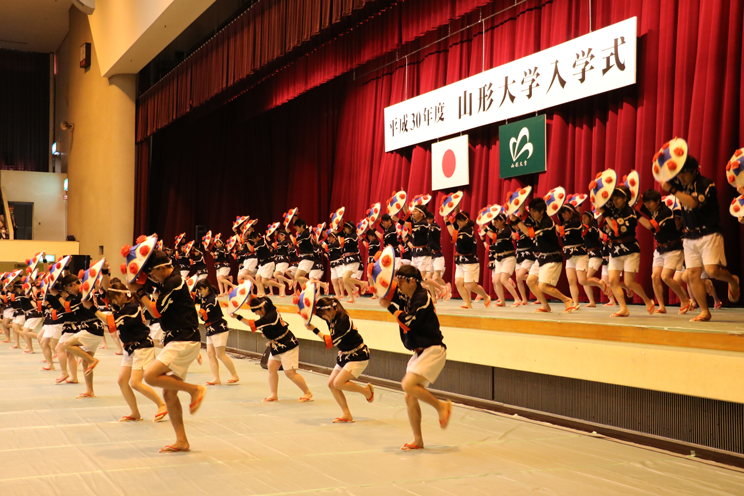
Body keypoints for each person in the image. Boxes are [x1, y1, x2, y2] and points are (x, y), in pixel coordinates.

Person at [130, 250, 206, 453]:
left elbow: (156, 311)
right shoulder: (167, 282)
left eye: (153, 273)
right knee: (169, 393)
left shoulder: (174, 281)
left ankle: (194, 390)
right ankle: (182, 441)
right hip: (179, 338)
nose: (152, 278)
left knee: (150, 375)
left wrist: (139, 293)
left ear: (162, 267)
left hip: (183, 339)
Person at [378, 265, 452, 450]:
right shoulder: (407, 294)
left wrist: (389, 307)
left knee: (408, 384)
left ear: (412, 281)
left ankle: (441, 406)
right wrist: (377, 278)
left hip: (433, 349)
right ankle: (418, 439)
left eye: (401, 281)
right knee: (409, 396)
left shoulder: (423, 297)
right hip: (419, 352)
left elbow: (408, 321)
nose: (398, 285)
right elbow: (389, 291)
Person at [661, 155, 739, 321]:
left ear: (694, 171)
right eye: (679, 174)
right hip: (689, 235)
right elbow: (663, 176)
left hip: (709, 232)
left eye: (684, 174)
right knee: (692, 275)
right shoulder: (681, 184)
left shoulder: (706, 184)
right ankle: (704, 311)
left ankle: (732, 280)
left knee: (712, 271)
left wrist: (674, 190)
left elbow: (693, 203)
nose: (680, 177)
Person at [88, 279, 168, 422]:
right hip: (130, 348)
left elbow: (109, 322)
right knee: (122, 381)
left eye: (115, 298)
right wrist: (105, 273)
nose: (114, 301)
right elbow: (106, 294)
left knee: (135, 383)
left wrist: (92, 308)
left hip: (142, 347)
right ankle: (135, 413)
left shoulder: (133, 307)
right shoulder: (123, 306)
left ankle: (162, 405)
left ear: (124, 295)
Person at [304, 297, 373, 423]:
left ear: (331, 309)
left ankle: (366, 391)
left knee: (338, 383)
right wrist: (305, 306)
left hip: (358, 355)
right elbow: (313, 311)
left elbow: (329, 342)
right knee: (331, 384)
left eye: (324, 315)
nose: (323, 318)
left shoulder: (343, 321)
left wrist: (314, 329)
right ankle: (346, 414)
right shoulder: (331, 315)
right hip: (345, 355)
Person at [235, 296, 312, 402]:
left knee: (290, 373)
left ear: (262, 308)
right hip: (276, 344)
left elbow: (251, 324)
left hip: (287, 344)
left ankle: (307, 392)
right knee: (271, 367)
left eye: (256, 312)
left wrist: (237, 316)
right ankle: (274, 394)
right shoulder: (271, 307)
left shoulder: (270, 317)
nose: (256, 314)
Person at [599, 186, 655, 317]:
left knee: (629, 282)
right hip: (614, 250)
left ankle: (647, 300)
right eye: (613, 198)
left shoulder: (631, 212)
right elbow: (599, 203)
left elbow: (617, 229)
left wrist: (606, 215)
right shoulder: (612, 208)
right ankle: (623, 309)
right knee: (613, 281)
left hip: (630, 250)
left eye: (618, 198)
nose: (615, 200)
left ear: (625, 198)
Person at [511, 198, 575, 313]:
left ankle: (567, 300)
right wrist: (522, 200)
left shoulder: (547, 222)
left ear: (541, 211)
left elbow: (528, 233)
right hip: (542, 257)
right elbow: (524, 214)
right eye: (531, 211)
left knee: (543, 286)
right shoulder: (537, 219)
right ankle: (545, 306)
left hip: (553, 257)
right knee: (530, 281)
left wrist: (516, 221)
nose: (531, 214)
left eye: (534, 211)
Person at [638, 189, 691, 314]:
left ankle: (685, 300)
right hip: (660, 248)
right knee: (655, 276)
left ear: (657, 201)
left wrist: (636, 215)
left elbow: (651, 226)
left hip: (673, 248)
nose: (647, 206)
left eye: (649, 203)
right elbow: (638, 204)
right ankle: (661, 306)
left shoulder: (665, 212)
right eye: (646, 204)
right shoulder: (653, 209)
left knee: (665, 277)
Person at [59, 274, 106, 399]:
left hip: (91, 328)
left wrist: (57, 296)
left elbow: (67, 308)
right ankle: (89, 390)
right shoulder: (86, 292)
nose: (69, 292)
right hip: (93, 328)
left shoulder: (82, 295)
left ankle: (93, 360)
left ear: (73, 284)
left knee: (67, 344)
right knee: (85, 363)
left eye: (69, 289)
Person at [195, 279, 239, 385]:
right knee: (210, 354)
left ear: (207, 288)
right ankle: (216, 378)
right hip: (210, 328)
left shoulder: (212, 299)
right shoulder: (203, 297)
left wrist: (190, 309)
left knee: (220, 354)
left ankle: (235, 375)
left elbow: (202, 314)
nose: (199, 293)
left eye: (201, 290)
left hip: (219, 327)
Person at [445, 211, 491, 309]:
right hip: (461, 260)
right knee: (458, 282)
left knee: (471, 285)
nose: (458, 223)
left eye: (460, 221)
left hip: (471, 261)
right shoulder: (461, 229)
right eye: (457, 221)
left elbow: (454, 236)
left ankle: (486, 296)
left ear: (466, 220)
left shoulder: (468, 230)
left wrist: (447, 223)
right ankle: (467, 303)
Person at [483, 214, 521, 307]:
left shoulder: (507, 229)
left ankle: (517, 299)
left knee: (503, 280)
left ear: (502, 221)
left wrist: (484, 229)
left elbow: (494, 237)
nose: (494, 223)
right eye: (494, 221)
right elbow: (489, 225)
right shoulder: (497, 230)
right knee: (496, 281)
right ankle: (502, 302)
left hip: (508, 258)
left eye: (496, 221)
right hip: (498, 259)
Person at [581, 211, 610, 307]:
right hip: (588, 256)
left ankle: (599, 283)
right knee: (584, 280)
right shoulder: (585, 228)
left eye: (586, 218)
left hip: (596, 256)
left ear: (591, 218)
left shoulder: (593, 228)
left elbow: (603, 237)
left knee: (585, 279)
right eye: (583, 218)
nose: (583, 219)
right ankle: (592, 301)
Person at [338, 221, 367, 303]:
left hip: (353, 259)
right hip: (346, 260)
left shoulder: (353, 236)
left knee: (346, 278)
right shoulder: (347, 236)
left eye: (346, 228)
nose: (345, 230)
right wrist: (339, 226)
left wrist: (338, 236)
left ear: (350, 228)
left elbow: (342, 242)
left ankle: (362, 283)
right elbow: (340, 235)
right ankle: (352, 298)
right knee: (345, 280)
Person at [427, 211, 451, 300]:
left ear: (430, 219)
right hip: (429, 256)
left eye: (426, 220)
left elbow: (431, 229)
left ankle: (446, 288)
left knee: (437, 277)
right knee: (428, 278)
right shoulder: (426, 228)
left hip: (437, 255)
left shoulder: (436, 227)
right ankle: (433, 297)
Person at [293, 218, 317, 289]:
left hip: (308, 257)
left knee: (297, 276)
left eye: (297, 227)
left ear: (302, 226)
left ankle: (316, 284)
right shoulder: (302, 234)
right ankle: (304, 294)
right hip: (304, 257)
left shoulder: (306, 233)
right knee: (300, 278)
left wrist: (290, 233)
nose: (296, 229)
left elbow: (295, 241)